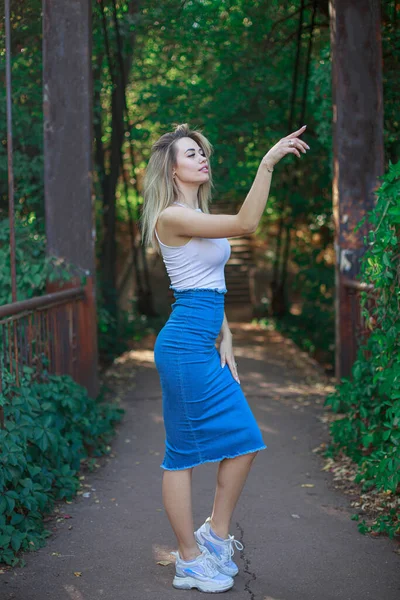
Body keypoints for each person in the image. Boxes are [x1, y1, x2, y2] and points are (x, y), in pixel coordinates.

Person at [140, 123, 309, 593]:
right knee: (181, 457)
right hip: (182, 348)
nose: (201, 158)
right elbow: (247, 224)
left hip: (202, 341)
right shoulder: (172, 216)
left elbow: (207, 284)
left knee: (245, 440)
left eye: (202, 152)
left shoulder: (198, 212)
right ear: (172, 169)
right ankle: (189, 560)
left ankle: (214, 537)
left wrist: (228, 337)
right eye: (191, 154)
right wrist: (267, 162)